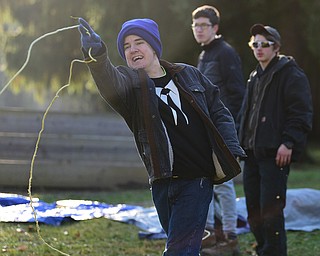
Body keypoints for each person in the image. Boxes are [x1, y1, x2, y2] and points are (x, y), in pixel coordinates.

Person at [77, 17, 245, 256]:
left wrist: (231, 149)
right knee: (183, 247)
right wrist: (98, 58)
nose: (132, 49)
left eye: (139, 42)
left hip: (196, 180)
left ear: (154, 46)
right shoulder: (131, 90)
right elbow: (108, 81)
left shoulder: (189, 74)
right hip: (161, 184)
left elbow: (220, 112)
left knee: (178, 251)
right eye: (126, 46)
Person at [238, 24, 313, 256]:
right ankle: (263, 250)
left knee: (271, 211)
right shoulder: (254, 76)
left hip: (275, 155)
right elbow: (245, 114)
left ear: (276, 47)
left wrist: (289, 142)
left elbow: (301, 113)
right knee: (254, 211)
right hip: (251, 154)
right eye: (255, 44)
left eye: (265, 44)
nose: (259, 48)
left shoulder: (291, 74)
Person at [191, 5, 245, 256]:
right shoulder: (204, 55)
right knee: (205, 182)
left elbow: (237, 94)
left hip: (222, 129)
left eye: (203, 25)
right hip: (204, 131)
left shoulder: (226, 53)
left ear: (215, 28)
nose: (199, 30)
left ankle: (231, 237)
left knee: (224, 184)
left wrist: (230, 132)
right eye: (196, 25)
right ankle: (211, 235)